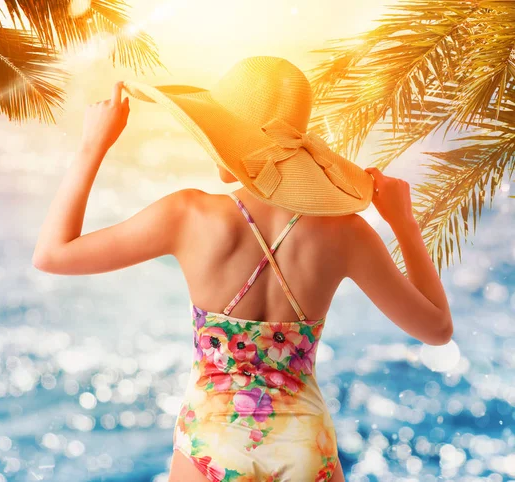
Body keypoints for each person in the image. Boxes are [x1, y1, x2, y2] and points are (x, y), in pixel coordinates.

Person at [32, 57, 453, 482]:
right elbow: (437, 329)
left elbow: (52, 253)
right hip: (306, 443)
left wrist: (93, 146)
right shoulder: (346, 233)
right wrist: (404, 222)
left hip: (211, 443)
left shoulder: (187, 214)